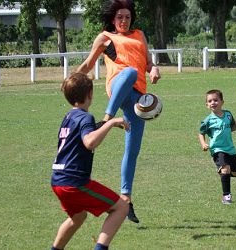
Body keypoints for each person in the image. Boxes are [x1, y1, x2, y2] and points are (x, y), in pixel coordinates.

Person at [77, 0, 161, 223]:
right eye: (119, 17)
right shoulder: (106, 37)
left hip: (138, 99)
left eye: (127, 17)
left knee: (132, 151)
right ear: (112, 19)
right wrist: (72, 80)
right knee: (130, 72)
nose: (124, 21)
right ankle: (106, 118)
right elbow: (88, 64)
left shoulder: (140, 35)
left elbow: (148, 63)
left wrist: (154, 70)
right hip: (118, 86)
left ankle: (126, 199)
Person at [51, 73, 130, 250]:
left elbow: (82, 134)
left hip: (57, 180)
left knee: (78, 217)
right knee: (121, 208)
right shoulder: (86, 117)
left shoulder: (69, 116)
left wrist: (103, 124)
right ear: (90, 94)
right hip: (74, 182)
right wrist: (110, 123)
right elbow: (89, 142)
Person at [198, 90, 236, 204]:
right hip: (217, 149)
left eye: (215, 100)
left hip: (230, 148)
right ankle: (226, 196)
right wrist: (203, 144)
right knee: (226, 168)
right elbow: (201, 133)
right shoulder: (207, 121)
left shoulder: (228, 115)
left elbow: (231, 128)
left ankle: (223, 173)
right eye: (210, 101)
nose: (213, 102)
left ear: (222, 102)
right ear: (207, 105)